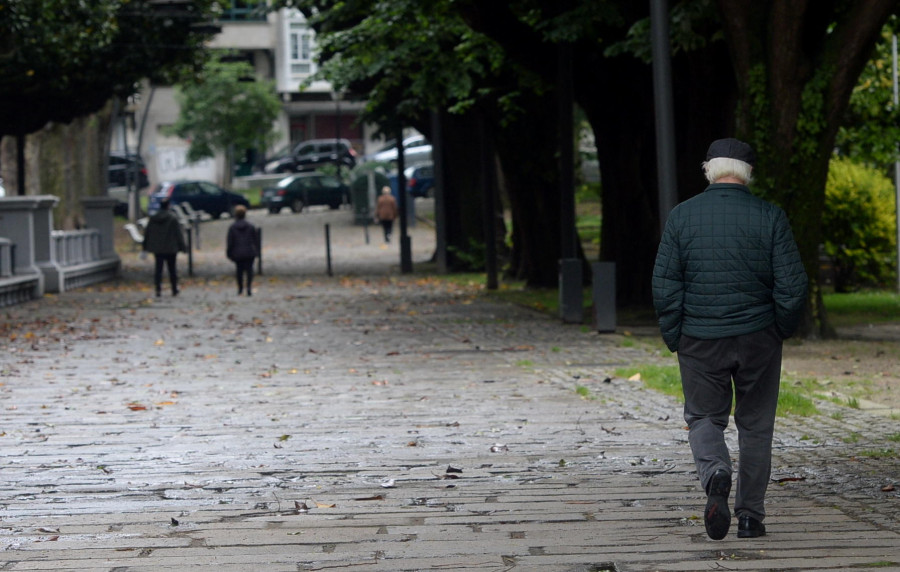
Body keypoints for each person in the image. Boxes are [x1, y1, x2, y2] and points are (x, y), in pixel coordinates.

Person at [651, 138, 808, 541]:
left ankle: (715, 471)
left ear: (708, 169)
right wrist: (778, 330)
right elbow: (792, 286)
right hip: (759, 337)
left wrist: (676, 336)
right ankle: (751, 517)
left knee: (704, 417)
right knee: (756, 426)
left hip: (700, 337)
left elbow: (665, 284)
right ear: (748, 173)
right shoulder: (771, 216)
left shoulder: (682, 217)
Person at [142, 198, 187, 297]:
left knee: (158, 269)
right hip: (171, 248)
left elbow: (148, 233)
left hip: (158, 248)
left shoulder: (153, 218)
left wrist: (145, 247)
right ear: (168, 206)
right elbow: (178, 234)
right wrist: (183, 247)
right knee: (172, 269)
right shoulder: (172, 218)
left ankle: (158, 289)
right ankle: (174, 289)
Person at [226, 204, 259, 296]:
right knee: (249, 271)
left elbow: (230, 241)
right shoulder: (251, 226)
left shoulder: (232, 227)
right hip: (249, 252)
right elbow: (256, 240)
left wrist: (229, 253)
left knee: (239, 271)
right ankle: (248, 287)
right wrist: (256, 251)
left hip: (237, 253)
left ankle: (240, 288)